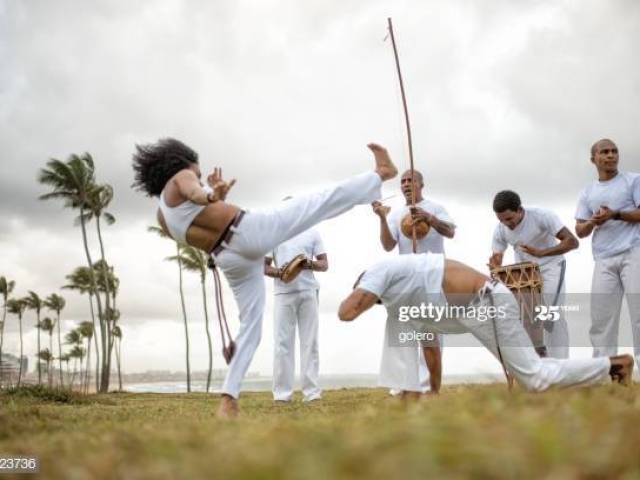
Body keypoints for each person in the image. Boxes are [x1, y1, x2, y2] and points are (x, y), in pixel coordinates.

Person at [132, 138, 398, 417]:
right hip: (247, 232)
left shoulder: (162, 215)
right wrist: (210, 194)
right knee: (314, 204)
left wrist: (213, 195)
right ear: (181, 163)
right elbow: (198, 195)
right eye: (197, 173)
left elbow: (199, 218)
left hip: (227, 258)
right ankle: (380, 174)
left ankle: (228, 399)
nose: (198, 177)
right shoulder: (182, 176)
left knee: (251, 327)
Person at [338, 254, 634, 391]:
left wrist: (363, 293)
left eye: (374, 297)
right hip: (477, 308)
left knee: (535, 378)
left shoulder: (379, 270)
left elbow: (346, 312)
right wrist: (433, 393)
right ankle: (612, 369)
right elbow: (431, 350)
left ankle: (615, 365)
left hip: (487, 300)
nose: (376, 302)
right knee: (532, 377)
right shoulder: (410, 302)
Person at [370, 169, 455, 396]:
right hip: (406, 277)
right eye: (403, 182)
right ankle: (404, 383)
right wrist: (382, 219)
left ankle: (428, 385)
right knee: (403, 329)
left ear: (421, 184)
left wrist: (429, 218)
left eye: (411, 181)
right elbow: (388, 246)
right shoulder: (397, 214)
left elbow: (450, 232)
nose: (406, 184)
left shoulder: (436, 207)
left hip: (433, 276)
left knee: (431, 332)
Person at [489, 190, 579, 358]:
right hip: (525, 274)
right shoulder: (501, 228)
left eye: (509, 218)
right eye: (501, 220)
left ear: (520, 210)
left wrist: (541, 253)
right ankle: (540, 363)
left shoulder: (542, 215)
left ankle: (561, 365)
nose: (506, 223)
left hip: (551, 266)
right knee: (529, 319)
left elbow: (572, 242)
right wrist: (495, 264)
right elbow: (497, 256)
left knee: (552, 316)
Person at [575, 138, 640, 367]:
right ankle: (605, 372)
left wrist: (615, 214)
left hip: (634, 252)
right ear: (594, 159)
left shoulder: (633, 181)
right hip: (603, 259)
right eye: (605, 152)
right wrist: (593, 221)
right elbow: (580, 230)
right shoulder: (587, 192)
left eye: (614, 151)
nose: (611, 155)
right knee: (601, 320)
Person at [264, 225, 327, 402]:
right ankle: (282, 396)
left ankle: (312, 394)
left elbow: (324, 264)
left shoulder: (312, 232)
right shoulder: (274, 232)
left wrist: (309, 264)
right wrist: (281, 272)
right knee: (282, 344)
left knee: (310, 343)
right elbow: (264, 266)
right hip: (283, 294)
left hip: (308, 292)